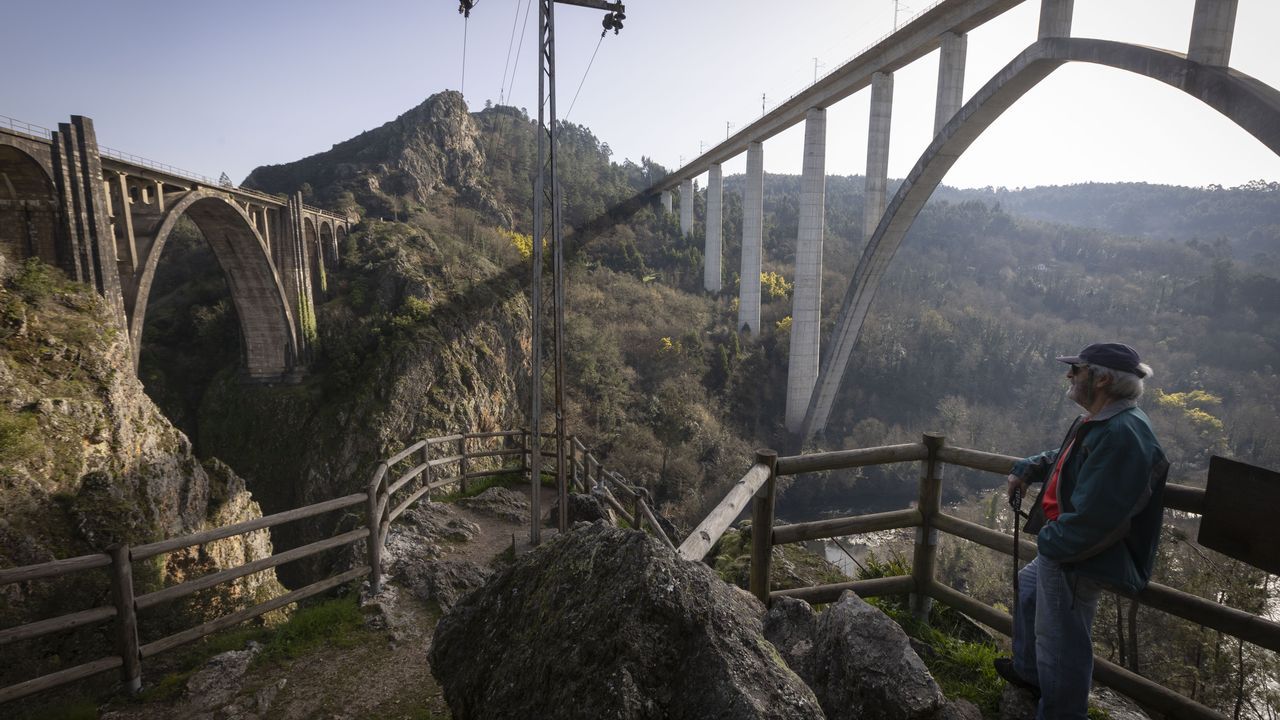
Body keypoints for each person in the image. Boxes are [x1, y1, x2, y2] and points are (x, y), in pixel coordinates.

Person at [995, 342, 1169, 720]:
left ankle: (1061, 713)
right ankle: (1030, 674)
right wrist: (1030, 467)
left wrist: (1048, 542)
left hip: (1078, 556)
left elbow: (1098, 521)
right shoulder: (1102, 421)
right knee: (1028, 591)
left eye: (1077, 369)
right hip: (1066, 548)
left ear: (1102, 378)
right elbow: (1068, 460)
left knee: (1062, 645)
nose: (1069, 375)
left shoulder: (1124, 434)